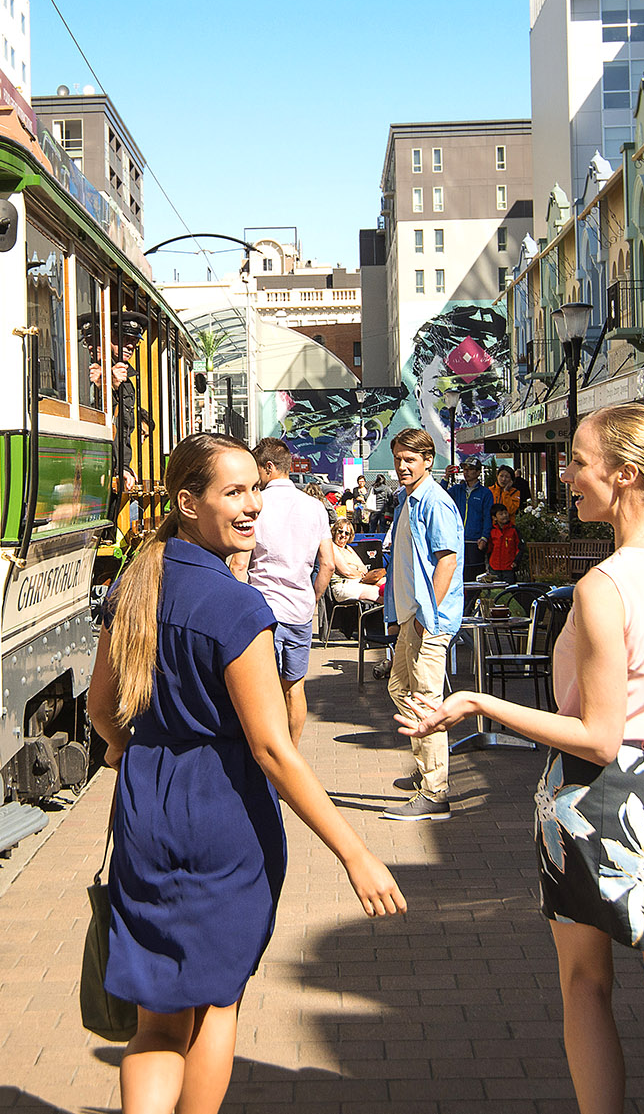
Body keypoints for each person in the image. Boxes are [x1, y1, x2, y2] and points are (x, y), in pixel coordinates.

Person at [398, 403, 644, 1113]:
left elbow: (597, 735)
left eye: (577, 461)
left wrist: (478, 702)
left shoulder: (605, 587)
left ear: (623, 475)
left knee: (584, 987)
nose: (565, 476)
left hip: (596, 798)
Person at [86, 434, 406, 1114]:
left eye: (255, 488)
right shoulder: (236, 608)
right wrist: (356, 853)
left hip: (146, 806)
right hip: (222, 814)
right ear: (188, 502)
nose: (253, 504)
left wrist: (122, 751)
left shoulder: (134, 585)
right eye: (234, 492)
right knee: (216, 1003)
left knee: (156, 1021)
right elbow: (272, 750)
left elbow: (101, 709)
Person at [382, 427, 464, 821]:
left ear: (428, 461)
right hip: (412, 617)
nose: (402, 466)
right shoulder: (408, 500)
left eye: (410, 459)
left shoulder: (434, 501)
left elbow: (447, 560)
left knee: (425, 700)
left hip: (427, 621)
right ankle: (427, 767)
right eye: (398, 459)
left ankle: (435, 790)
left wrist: (425, 619)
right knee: (400, 688)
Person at [248, 438, 331, 746]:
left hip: (263, 610)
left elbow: (240, 564)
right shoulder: (315, 507)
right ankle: (292, 751)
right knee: (294, 688)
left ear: (268, 467)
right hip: (300, 611)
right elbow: (328, 564)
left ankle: (268, 753)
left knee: (263, 690)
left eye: (257, 470)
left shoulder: (256, 505)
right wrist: (313, 597)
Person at [323, 520, 383, 604]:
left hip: (357, 581)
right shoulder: (332, 547)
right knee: (378, 592)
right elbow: (346, 571)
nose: (343, 535)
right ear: (334, 532)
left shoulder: (348, 549)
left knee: (384, 583)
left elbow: (364, 568)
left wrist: (352, 568)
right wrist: (357, 570)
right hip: (343, 586)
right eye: (340, 531)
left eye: (347, 533)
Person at [456, 462, 497, 581]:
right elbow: (440, 495)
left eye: (470, 469)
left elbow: (487, 516)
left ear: (478, 472)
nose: (466, 472)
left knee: (475, 575)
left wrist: (484, 537)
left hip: (475, 541)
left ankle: (475, 594)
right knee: (459, 574)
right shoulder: (458, 489)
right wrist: (446, 478)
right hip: (458, 540)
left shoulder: (485, 493)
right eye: (464, 469)